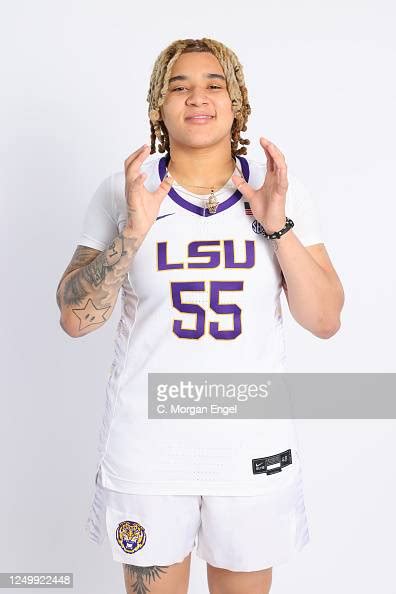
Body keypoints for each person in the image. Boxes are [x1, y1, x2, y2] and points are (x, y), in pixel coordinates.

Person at [56, 38, 344, 594]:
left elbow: (326, 319)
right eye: (179, 85)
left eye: (214, 84)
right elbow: (75, 319)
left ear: (237, 103)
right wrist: (132, 234)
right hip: (148, 448)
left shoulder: (279, 190)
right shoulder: (123, 192)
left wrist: (277, 226)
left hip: (250, 448)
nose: (198, 97)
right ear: (158, 105)